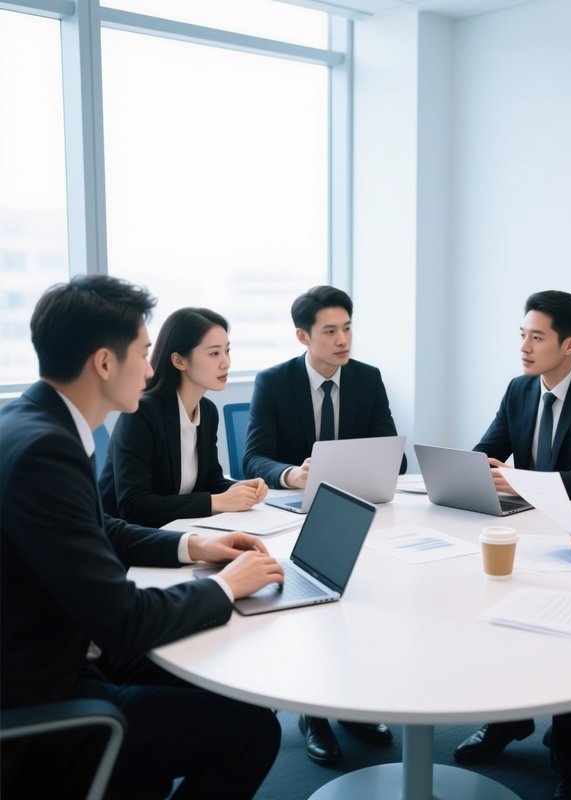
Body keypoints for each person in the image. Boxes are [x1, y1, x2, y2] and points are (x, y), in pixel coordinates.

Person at [0, 275, 285, 800]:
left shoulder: (36, 420)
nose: (151, 369)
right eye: (145, 353)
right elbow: (126, 622)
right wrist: (226, 587)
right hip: (46, 694)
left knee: (233, 683)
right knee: (252, 732)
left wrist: (192, 547)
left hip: (59, 646)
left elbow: (96, 526)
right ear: (105, 363)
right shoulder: (48, 448)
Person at [453, 290, 571, 800]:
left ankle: (569, 755)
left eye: (537, 337)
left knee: (569, 636)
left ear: (570, 344)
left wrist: (520, 479)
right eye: (522, 335)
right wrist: (477, 468)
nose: (525, 347)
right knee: (493, 611)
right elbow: (489, 450)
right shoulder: (519, 388)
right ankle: (509, 720)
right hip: (528, 526)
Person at [243, 284, 403, 765]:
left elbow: (394, 457)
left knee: (365, 601)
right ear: (303, 336)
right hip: (294, 512)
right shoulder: (274, 382)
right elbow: (253, 456)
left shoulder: (368, 379)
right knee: (316, 607)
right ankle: (313, 713)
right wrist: (291, 474)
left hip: (355, 506)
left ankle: (353, 707)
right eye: (330, 331)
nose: (342, 340)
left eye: (347, 328)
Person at [99, 307, 267, 528]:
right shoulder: (141, 413)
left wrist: (239, 488)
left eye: (227, 351)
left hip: (179, 530)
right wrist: (216, 501)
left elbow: (210, 481)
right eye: (214, 353)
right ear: (179, 361)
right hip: (129, 542)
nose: (226, 362)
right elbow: (133, 506)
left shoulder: (207, 411)